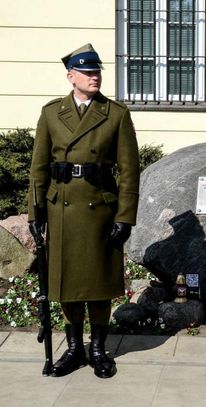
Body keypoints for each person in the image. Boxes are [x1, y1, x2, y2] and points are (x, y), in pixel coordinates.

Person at [27, 43, 140, 378]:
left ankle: (99, 349)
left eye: (98, 71)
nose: (95, 77)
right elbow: (38, 169)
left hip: (99, 209)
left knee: (98, 283)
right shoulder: (51, 113)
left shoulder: (116, 114)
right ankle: (75, 348)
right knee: (67, 282)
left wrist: (125, 216)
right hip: (61, 208)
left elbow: (129, 170)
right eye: (88, 72)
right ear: (71, 76)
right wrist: (35, 215)